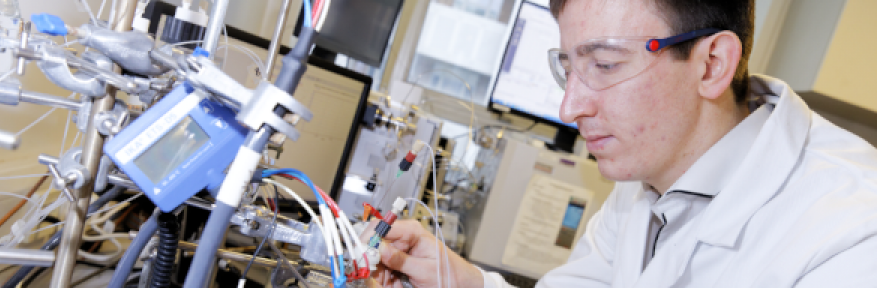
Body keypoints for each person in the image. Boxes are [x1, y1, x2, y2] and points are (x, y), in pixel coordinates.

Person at [368, 0, 877, 287]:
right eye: (568, 67)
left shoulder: (852, 233)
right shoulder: (652, 175)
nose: (570, 108)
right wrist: (465, 283)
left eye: (605, 66)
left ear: (713, 64)